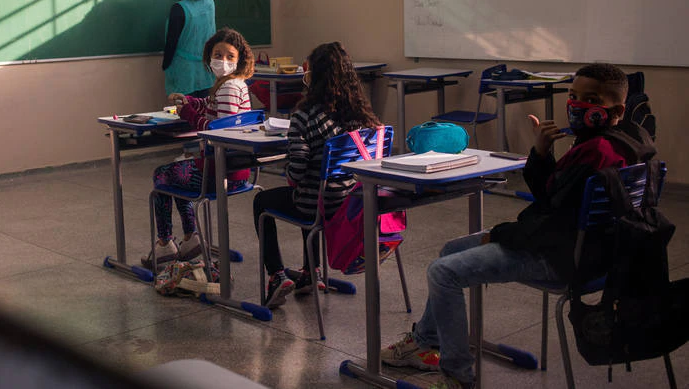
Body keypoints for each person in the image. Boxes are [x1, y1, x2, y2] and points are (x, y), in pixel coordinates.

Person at [380, 63, 656, 389]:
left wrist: (499, 235)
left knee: (443, 272)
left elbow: (552, 222)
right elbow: (556, 198)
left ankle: (456, 377)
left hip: (562, 258)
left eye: (590, 99)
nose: (577, 105)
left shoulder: (596, 150)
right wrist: (542, 153)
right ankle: (426, 343)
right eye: (573, 95)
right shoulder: (633, 142)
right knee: (450, 249)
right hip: (599, 256)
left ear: (617, 110)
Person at [252, 42, 381, 309]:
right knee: (311, 191)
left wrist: (290, 168)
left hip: (318, 205)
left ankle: (276, 275)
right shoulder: (363, 116)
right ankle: (311, 272)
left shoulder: (305, 116)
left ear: (313, 77)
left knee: (263, 201)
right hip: (351, 203)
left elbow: (297, 172)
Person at [141, 27, 255, 267]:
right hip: (233, 169)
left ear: (239, 60)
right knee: (178, 169)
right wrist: (191, 101)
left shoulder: (229, 87)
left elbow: (218, 129)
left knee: (162, 175)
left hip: (221, 172)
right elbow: (210, 104)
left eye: (229, 56)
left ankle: (165, 245)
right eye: (217, 54)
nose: (222, 61)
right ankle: (190, 239)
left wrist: (189, 113)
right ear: (208, 56)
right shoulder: (232, 84)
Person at [162, 0, 216, 98]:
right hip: (206, 68)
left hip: (183, 71)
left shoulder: (179, 8)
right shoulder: (210, 4)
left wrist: (166, 66)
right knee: (204, 110)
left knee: (184, 111)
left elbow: (171, 41)